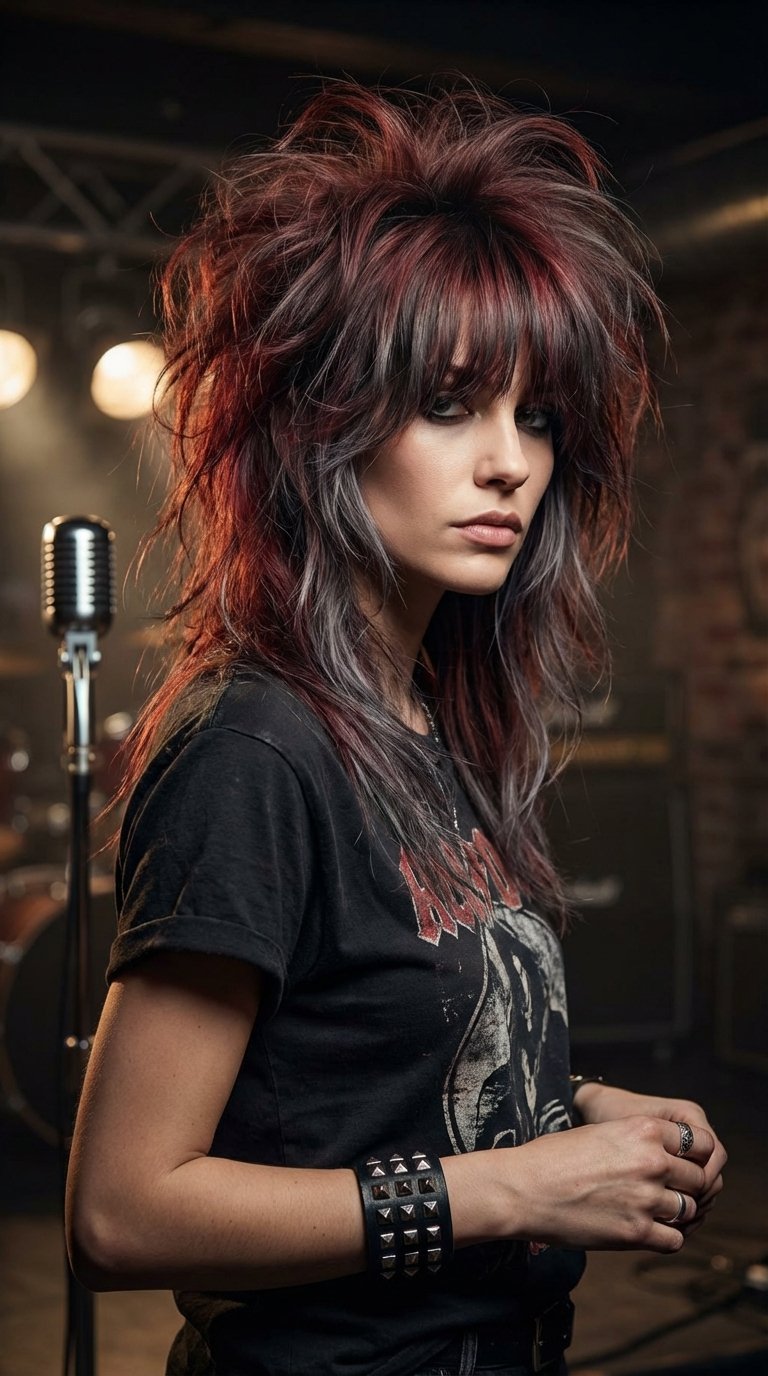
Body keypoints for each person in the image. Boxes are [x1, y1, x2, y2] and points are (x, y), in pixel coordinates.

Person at [65, 81, 727, 1376]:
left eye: (536, 417)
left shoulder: (430, 721)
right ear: (323, 426)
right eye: (450, 405)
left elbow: (363, 1066)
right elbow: (119, 1209)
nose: (512, 465)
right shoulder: (255, 747)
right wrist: (519, 1189)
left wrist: (582, 1120)